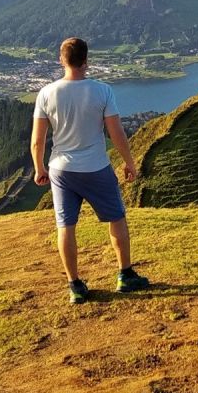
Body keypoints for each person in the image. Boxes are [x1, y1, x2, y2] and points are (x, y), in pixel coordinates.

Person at [31, 37, 149, 303]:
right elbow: (115, 132)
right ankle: (125, 275)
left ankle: (75, 285)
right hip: (96, 166)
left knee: (66, 226)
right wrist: (129, 162)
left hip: (61, 170)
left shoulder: (46, 93)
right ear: (86, 60)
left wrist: (39, 168)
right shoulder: (102, 91)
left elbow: (38, 139)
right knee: (117, 218)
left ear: (61, 60)